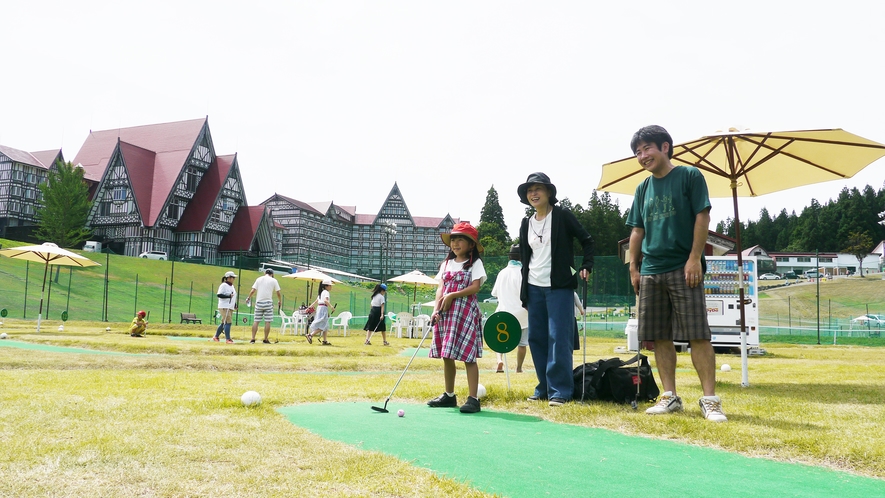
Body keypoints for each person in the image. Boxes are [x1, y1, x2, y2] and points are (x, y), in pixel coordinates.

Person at [625, 125, 727, 422]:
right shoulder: (642, 188)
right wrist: (634, 267)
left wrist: (694, 258)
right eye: (638, 152)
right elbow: (637, 230)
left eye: (647, 149)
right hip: (651, 271)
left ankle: (710, 400)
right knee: (658, 337)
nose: (643, 156)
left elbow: (702, 216)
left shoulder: (689, 176)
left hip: (684, 269)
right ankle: (669, 396)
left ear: (665, 147)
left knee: (698, 335)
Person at [517, 172, 594, 407]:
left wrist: (586, 265)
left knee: (559, 338)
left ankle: (561, 390)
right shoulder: (526, 223)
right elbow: (525, 257)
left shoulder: (562, 216)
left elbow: (587, 239)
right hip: (533, 286)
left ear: (549, 192)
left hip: (559, 286)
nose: (534, 193)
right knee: (537, 338)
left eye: (538, 188)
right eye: (530, 190)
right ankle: (544, 387)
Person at [427, 222, 486, 414]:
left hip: (465, 312)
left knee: (468, 357)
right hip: (446, 314)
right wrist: (436, 309)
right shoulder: (446, 264)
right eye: (453, 239)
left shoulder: (474, 264)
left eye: (460, 239)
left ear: (471, 245)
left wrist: (453, 295)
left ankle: (473, 399)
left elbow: (475, 287)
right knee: (447, 354)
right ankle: (449, 395)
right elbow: (440, 289)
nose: (455, 243)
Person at [491, 243, 529, 373]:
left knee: (498, 340)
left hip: (503, 312)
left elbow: (495, 293)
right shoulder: (524, 273)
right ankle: (518, 368)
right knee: (522, 343)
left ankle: (499, 361)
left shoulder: (502, 273)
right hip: (522, 314)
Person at [245, 268, 282, 344]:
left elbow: (253, 290)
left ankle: (252, 338)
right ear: (272, 274)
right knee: (267, 322)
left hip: (259, 302)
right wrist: (280, 300)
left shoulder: (259, 279)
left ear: (265, 273)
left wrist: (248, 297)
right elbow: (278, 292)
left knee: (256, 321)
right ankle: (265, 339)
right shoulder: (274, 280)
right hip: (268, 303)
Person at [306, 279, 335, 345]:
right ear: (326, 286)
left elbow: (316, 301)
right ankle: (310, 335)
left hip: (320, 308)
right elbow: (325, 301)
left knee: (325, 325)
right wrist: (331, 307)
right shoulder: (326, 292)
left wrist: (309, 307)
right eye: (330, 285)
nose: (331, 287)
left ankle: (324, 340)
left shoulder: (321, 293)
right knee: (323, 325)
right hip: (323, 308)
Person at [212, 271, 237, 344]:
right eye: (233, 277)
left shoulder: (232, 286)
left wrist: (235, 304)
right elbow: (219, 295)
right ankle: (228, 339)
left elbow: (233, 296)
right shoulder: (223, 285)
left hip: (230, 307)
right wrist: (228, 296)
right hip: (224, 306)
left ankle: (216, 336)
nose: (234, 279)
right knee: (228, 322)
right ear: (228, 278)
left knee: (224, 322)